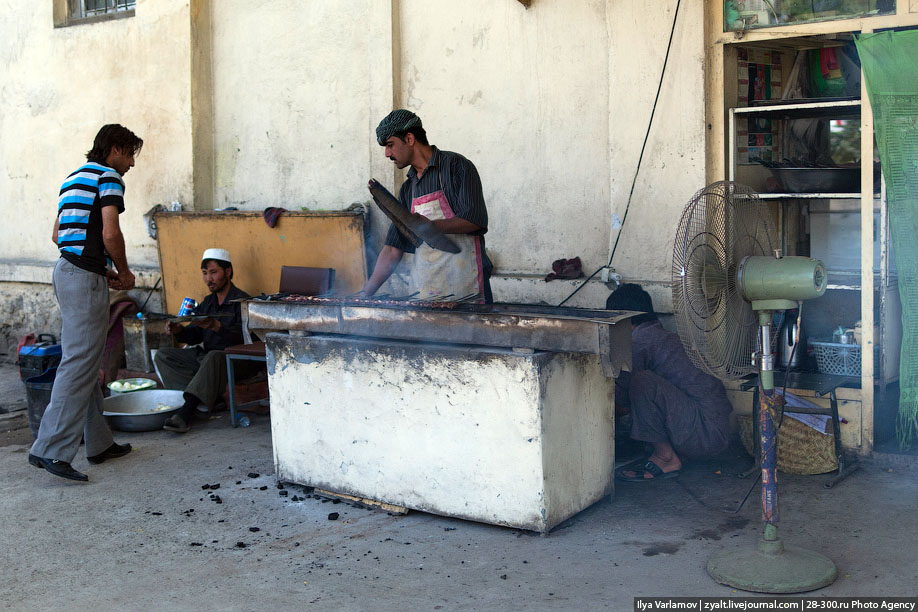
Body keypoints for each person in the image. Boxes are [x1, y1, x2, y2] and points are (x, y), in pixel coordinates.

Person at [29, 124, 143, 482]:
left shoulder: (72, 178)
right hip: (83, 278)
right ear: (114, 149)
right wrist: (122, 271)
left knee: (85, 357)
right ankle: (50, 450)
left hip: (66, 270)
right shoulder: (109, 177)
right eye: (130, 155)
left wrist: (98, 267)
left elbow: (56, 235)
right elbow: (110, 232)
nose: (131, 164)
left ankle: (98, 443)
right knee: (78, 363)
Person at [361, 109, 493, 303]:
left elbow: (475, 219)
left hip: (467, 293)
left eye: (390, 145)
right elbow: (392, 249)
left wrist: (431, 226)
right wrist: (364, 295)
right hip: (425, 295)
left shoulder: (456, 166)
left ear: (409, 138)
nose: (387, 154)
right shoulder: (408, 189)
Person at [606, 284, 732, 481]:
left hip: (705, 433)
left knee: (642, 382)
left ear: (621, 319)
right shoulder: (660, 335)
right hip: (716, 430)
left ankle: (665, 457)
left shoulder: (638, 343)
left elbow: (620, 406)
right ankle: (676, 453)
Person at [155, 248, 251, 433]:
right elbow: (195, 335)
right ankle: (205, 401)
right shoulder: (208, 302)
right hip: (207, 359)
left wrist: (216, 327)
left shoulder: (242, 301)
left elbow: (247, 340)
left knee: (214, 356)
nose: (209, 279)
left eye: (214, 273)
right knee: (163, 356)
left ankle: (185, 413)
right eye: (205, 274)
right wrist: (179, 331)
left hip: (233, 361)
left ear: (228, 272)